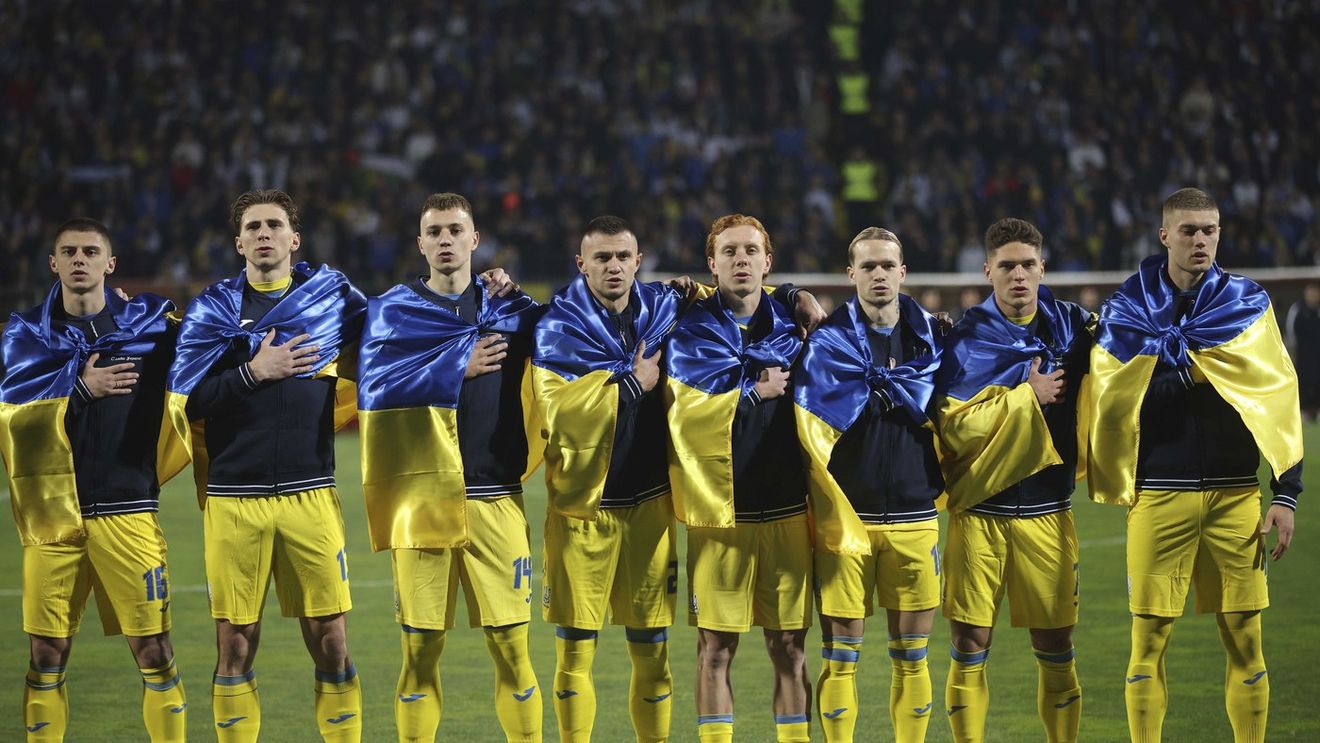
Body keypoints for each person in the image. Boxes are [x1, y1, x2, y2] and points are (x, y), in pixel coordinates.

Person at [531, 215, 823, 742]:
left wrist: (797, 292)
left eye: (623, 257)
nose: (614, 266)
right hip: (584, 510)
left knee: (657, 651)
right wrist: (629, 384)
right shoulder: (559, 324)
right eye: (602, 258)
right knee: (576, 649)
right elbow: (555, 412)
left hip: (653, 509)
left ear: (639, 262)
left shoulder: (664, 308)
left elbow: (745, 287)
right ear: (581, 264)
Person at [1086, 187, 1303, 743]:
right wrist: (1185, 375)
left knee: (1246, 638)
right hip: (1158, 492)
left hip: (1236, 494)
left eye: (1209, 229)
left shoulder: (1247, 304)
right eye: (1188, 230)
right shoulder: (1127, 308)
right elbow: (1115, 403)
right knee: (1149, 640)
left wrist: (1284, 494)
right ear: (1164, 236)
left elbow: (1278, 394)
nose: (1200, 239)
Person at [159, 189, 367, 742]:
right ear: (238, 242)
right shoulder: (213, 310)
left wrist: (484, 289)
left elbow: (397, 333)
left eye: (274, 225)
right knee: (234, 640)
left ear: (294, 240)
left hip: (311, 491)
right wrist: (254, 371)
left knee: (331, 638)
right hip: (235, 497)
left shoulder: (331, 298)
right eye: (253, 227)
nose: (264, 234)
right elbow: (187, 401)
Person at [356, 192, 542, 743]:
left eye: (454, 230)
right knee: (420, 651)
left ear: (474, 239)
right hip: (422, 501)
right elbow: (375, 390)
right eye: (434, 232)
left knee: (512, 648)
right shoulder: (392, 310)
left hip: (495, 495)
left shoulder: (509, 308)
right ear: (420, 243)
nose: (444, 240)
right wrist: (457, 365)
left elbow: (574, 330)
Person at [0, 218, 185, 742]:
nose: (79, 259)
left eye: (90, 251)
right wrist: (78, 388)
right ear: (54, 264)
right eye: (68, 252)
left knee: (154, 650)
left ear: (110, 264)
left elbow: (206, 357)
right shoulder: (24, 337)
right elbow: (10, 414)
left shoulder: (151, 326)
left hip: (129, 512)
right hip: (55, 520)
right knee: (45, 654)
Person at [933, 217, 1092, 743]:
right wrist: (1026, 397)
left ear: (1043, 268)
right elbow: (951, 431)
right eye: (1007, 266)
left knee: (1056, 648)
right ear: (987, 271)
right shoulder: (963, 341)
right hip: (980, 513)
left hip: (1048, 512)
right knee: (970, 646)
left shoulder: (1073, 330)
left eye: (1028, 265)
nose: (1019, 275)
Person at [794, 227, 945, 743]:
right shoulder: (826, 344)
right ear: (851, 274)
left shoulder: (933, 341)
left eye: (888, 266)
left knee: (912, 658)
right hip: (846, 524)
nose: (879, 274)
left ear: (903, 273)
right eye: (868, 266)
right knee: (841, 659)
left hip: (914, 517)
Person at [664, 214, 811, 743]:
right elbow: (683, 418)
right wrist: (754, 393)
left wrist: (799, 297)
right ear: (712, 263)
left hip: (789, 509)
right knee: (715, 648)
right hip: (720, 514)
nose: (741, 259)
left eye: (751, 250)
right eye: (729, 252)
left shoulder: (797, 327)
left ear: (767, 262)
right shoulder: (691, 330)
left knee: (790, 647)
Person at [1284, 283, 1320, 422]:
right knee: (1303, 382)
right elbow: (1290, 333)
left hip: (1317, 355)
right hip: (1302, 356)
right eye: (1310, 293)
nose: (1312, 296)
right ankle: (1303, 411)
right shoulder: (1297, 309)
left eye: (1315, 293)